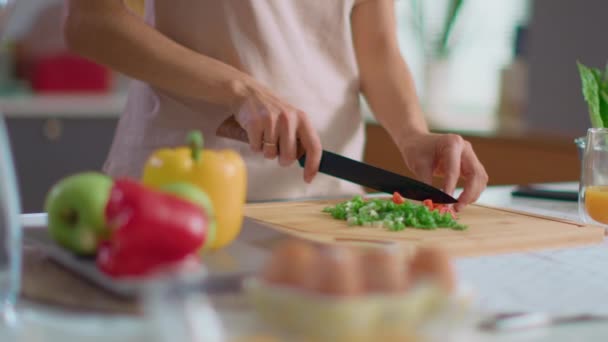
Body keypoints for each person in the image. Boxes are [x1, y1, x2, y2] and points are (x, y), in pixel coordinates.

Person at [63, 0, 488, 210]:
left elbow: (377, 46)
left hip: (325, 207)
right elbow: (92, 23)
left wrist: (412, 133)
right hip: (176, 196)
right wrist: (240, 89)